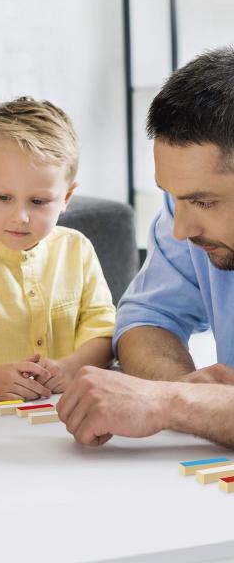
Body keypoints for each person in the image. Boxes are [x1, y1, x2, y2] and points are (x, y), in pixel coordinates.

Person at [58, 46, 234, 448]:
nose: (180, 229)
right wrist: (188, 394)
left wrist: (173, 403)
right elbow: (146, 318)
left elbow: (176, 402)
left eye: (203, 202)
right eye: (174, 199)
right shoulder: (189, 222)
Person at [0, 97, 115, 401]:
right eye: (3, 197)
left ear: (67, 196)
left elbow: (104, 330)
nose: (20, 217)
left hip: (63, 421)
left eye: (39, 202)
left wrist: (69, 368)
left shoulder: (77, 251)